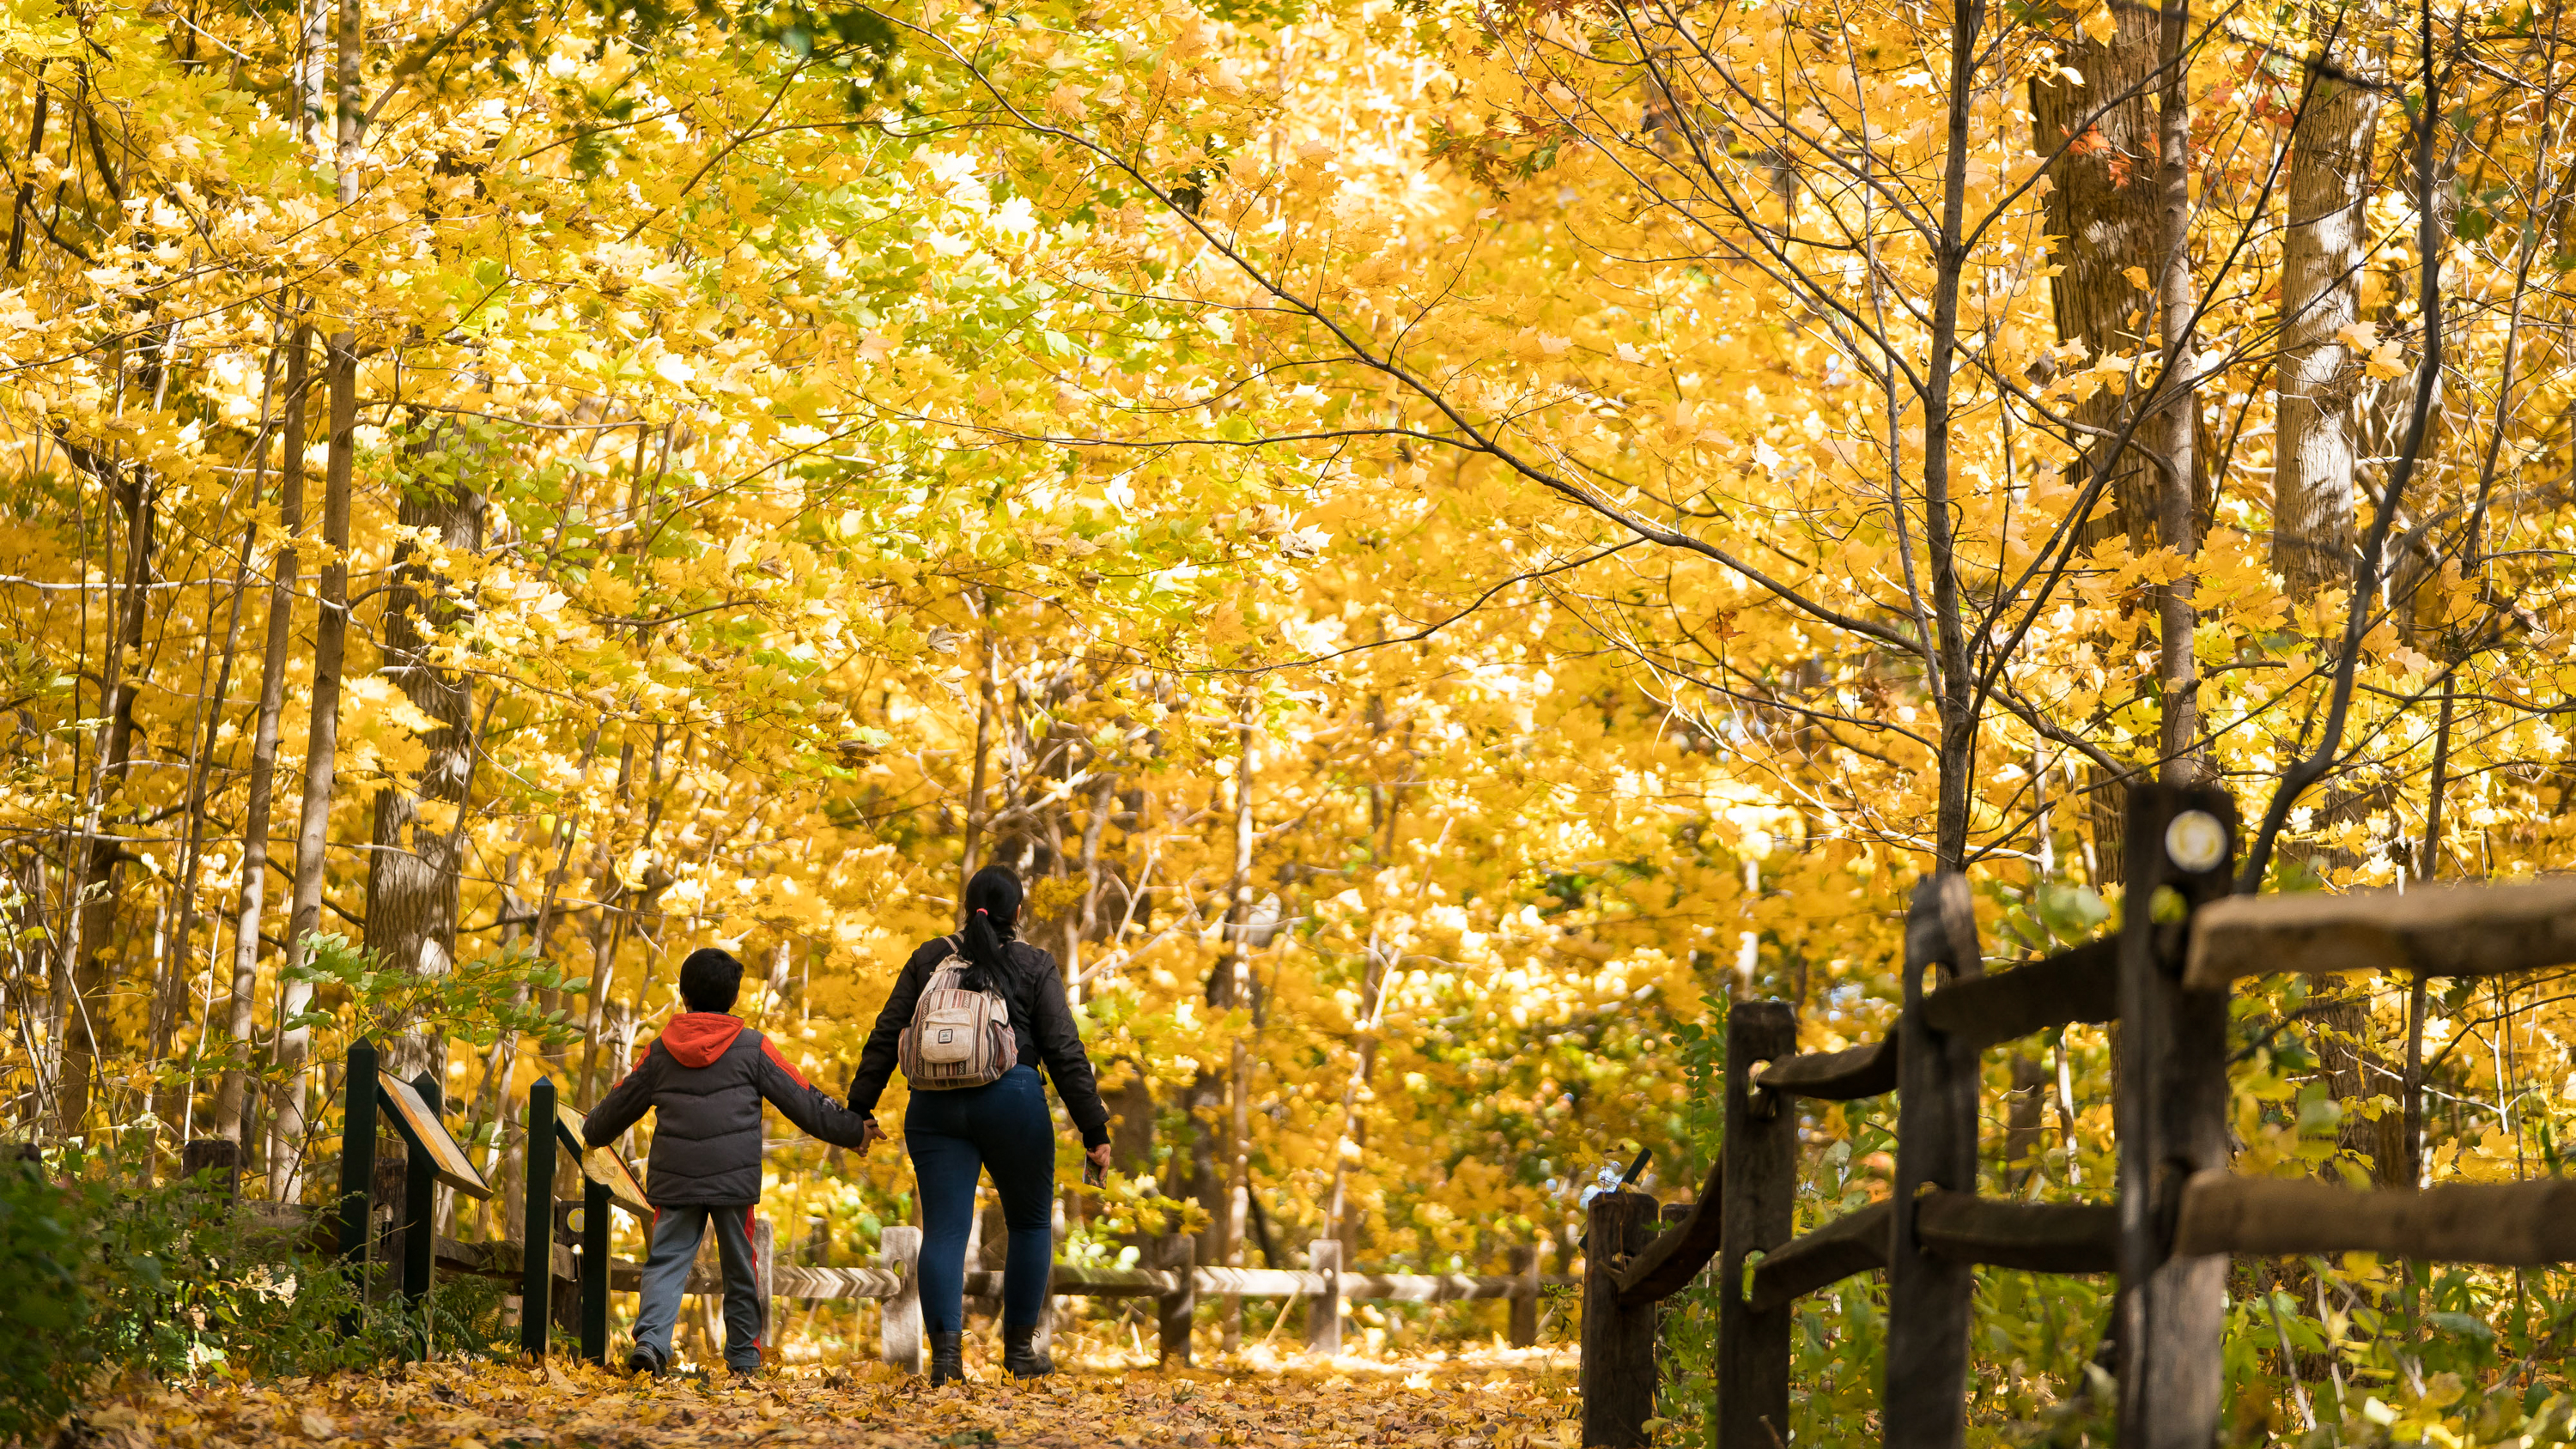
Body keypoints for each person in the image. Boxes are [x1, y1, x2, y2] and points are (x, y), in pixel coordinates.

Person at [849, 864, 1115, 1384]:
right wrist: (1094, 1128)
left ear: (968, 907)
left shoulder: (930, 958)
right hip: (1012, 1099)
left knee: (945, 1231)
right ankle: (1019, 1353)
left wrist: (858, 1110)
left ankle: (947, 1361)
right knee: (1030, 1223)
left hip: (933, 1107)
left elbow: (887, 1032)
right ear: (1018, 911)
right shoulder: (1034, 963)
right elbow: (1063, 1050)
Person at [584, 946, 874, 1377]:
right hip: (732, 1181)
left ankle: (651, 1343)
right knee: (741, 1265)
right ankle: (743, 1356)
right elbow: (803, 1099)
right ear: (734, 998)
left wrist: (592, 1132)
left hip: (676, 1179)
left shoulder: (660, 1050)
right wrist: (853, 1130)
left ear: (684, 995)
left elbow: (620, 1103)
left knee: (665, 1262)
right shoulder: (753, 1047)